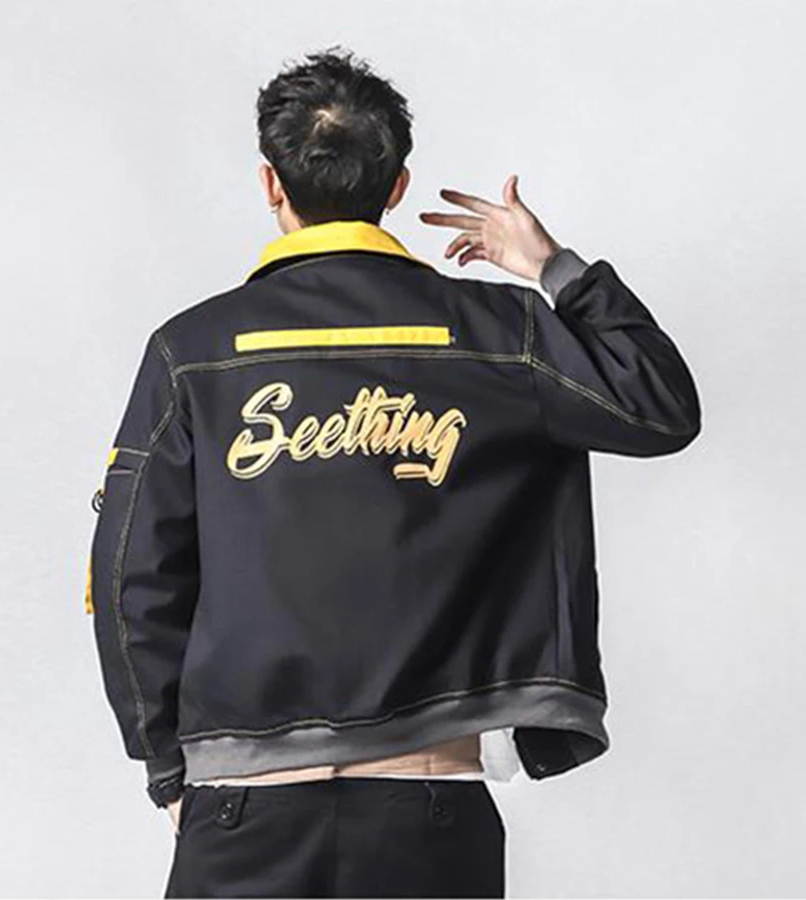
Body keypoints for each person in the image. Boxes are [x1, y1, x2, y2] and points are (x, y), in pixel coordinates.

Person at [85, 46, 701, 899]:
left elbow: (131, 574)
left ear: (271, 184)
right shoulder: (499, 332)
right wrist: (550, 265)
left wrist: (165, 768)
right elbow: (659, 404)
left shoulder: (193, 350)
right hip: (429, 809)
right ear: (399, 186)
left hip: (242, 812)